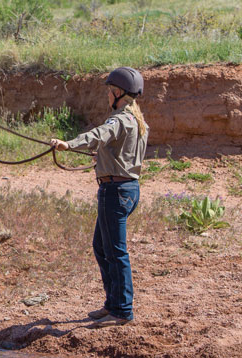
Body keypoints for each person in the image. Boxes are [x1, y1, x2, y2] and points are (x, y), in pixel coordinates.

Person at [50, 67, 148, 328]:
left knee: (115, 252)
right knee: (103, 247)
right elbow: (121, 153)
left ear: (118, 93)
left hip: (114, 192)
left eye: (109, 91)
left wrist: (68, 144)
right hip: (127, 189)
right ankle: (113, 304)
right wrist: (102, 157)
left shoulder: (118, 120)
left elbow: (98, 135)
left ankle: (122, 310)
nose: (107, 96)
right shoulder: (138, 121)